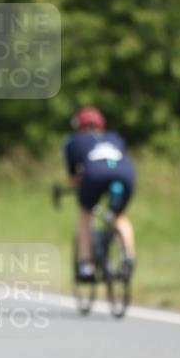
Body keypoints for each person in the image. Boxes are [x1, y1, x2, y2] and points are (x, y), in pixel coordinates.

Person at [63, 107, 136, 282]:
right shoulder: (115, 137)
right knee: (118, 215)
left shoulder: (74, 141)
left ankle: (86, 267)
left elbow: (74, 179)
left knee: (85, 212)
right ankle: (128, 257)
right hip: (126, 174)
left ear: (78, 126)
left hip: (94, 175)